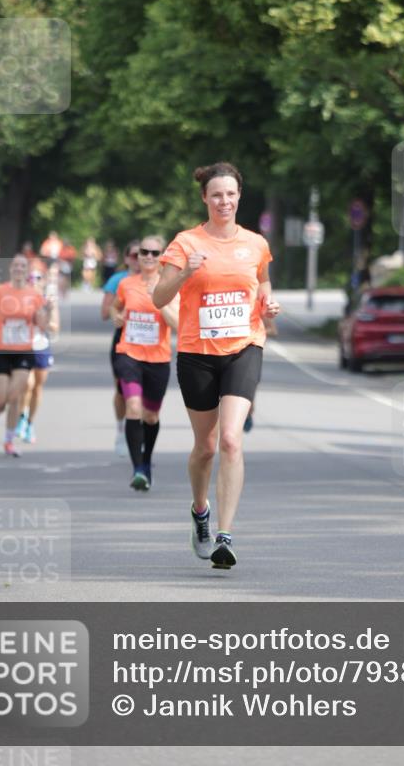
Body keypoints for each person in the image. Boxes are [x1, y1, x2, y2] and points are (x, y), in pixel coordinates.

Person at [153, 162, 280, 569]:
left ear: (239, 195)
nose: (224, 201)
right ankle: (200, 512)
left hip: (244, 346)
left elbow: (261, 285)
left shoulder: (256, 244)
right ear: (205, 199)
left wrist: (269, 307)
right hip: (197, 354)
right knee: (205, 447)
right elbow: (158, 297)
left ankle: (225, 535)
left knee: (230, 439)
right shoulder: (185, 243)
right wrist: (185, 273)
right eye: (216, 195)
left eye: (230, 193)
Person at [111, 235, 179, 490]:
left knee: (151, 416)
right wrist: (116, 316)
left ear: (162, 258)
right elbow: (115, 308)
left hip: (158, 360)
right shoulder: (126, 284)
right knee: (133, 408)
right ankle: (137, 468)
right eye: (144, 252)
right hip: (128, 354)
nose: (148, 256)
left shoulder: (170, 287)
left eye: (154, 252)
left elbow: (178, 324)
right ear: (137, 256)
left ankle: (147, 461)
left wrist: (158, 301)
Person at [0, 254, 47, 457]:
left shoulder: (34, 294)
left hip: (23, 352)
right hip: (1, 351)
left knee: (14, 397)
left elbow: (42, 325)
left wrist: (46, 310)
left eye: (23, 266)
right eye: (16, 265)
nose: (19, 269)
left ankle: (8, 441)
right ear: (11, 268)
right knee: (0, 400)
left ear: (27, 270)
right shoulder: (0, 291)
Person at [100, 240, 140, 456]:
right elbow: (105, 313)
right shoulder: (118, 280)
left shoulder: (154, 280)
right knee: (122, 390)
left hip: (149, 342)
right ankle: (121, 429)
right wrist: (121, 307)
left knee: (144, 392)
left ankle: (138, 432)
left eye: (141, 254)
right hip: (123, 339)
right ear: (126, 259)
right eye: (133, 255)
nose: (138, 259)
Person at [16, 262, 59, 444]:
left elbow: (55, 327)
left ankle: (30, 423)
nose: (34, 281)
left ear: (43, 282)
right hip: (23, 347)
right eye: (30, 278)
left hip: (41, 346)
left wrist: (47, 313)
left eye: (38, 278)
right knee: (27, 383)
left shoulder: (48, 302)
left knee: (37, 388)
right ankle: (21, 417)